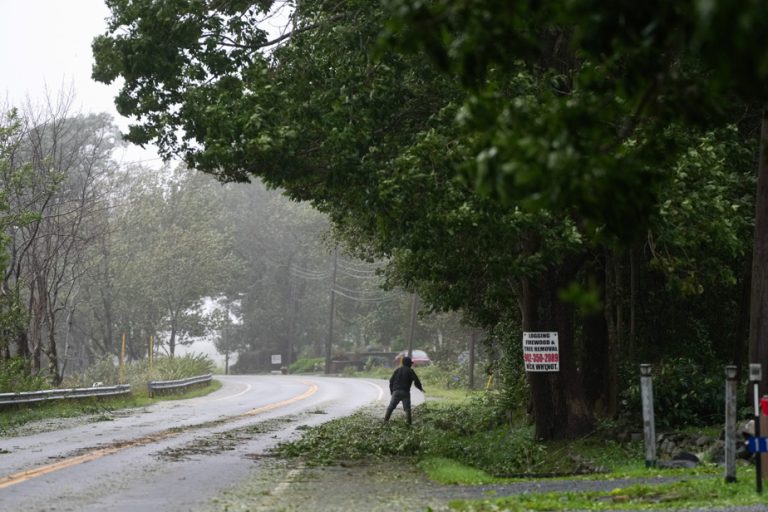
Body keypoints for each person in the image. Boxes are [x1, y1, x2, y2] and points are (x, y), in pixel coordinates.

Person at [384, 356, 424, 425]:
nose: (411, 364)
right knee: (407, 409)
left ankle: (385, 421)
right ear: (408, 364)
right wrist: (420, 388)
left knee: (391, 407)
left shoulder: (397, 370)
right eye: (411, 363)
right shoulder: (410, 371)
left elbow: (391, 381)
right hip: (405, 392)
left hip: (396, 392)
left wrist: (392, 391)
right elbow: (416, 381)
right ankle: (409, 424)